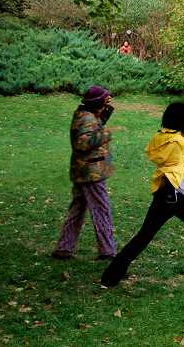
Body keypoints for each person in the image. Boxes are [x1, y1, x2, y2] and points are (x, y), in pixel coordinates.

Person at [100, 102, 184, 296]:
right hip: (180, 195)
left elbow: (175, 147)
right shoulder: (182, 142)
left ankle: (109, 278)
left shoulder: (159, 137)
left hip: (163, 191)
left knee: (143, 236)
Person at [52, 85, 118, 260]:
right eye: (104, 99)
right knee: (102, 210)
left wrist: (106, 108)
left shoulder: (86, 114)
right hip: (91, 173)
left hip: (84, 171)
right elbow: (82, 143)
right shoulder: (86, 118)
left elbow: (96, 124)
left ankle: (64, 248)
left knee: (78, 209)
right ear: (97, 103)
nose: (107, 100)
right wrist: (106, 134)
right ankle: (107, 250)